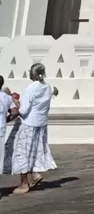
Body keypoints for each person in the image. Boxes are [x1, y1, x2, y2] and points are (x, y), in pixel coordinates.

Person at [10, 63, 55, 194]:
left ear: (33, 74)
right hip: (41, 124)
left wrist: (16, 102)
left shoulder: (31, 88)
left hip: (29, 123)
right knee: (35, 150)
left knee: (22, 152)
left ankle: (24, 184)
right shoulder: (48, 87)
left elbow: (23, 111)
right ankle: (34, 173)